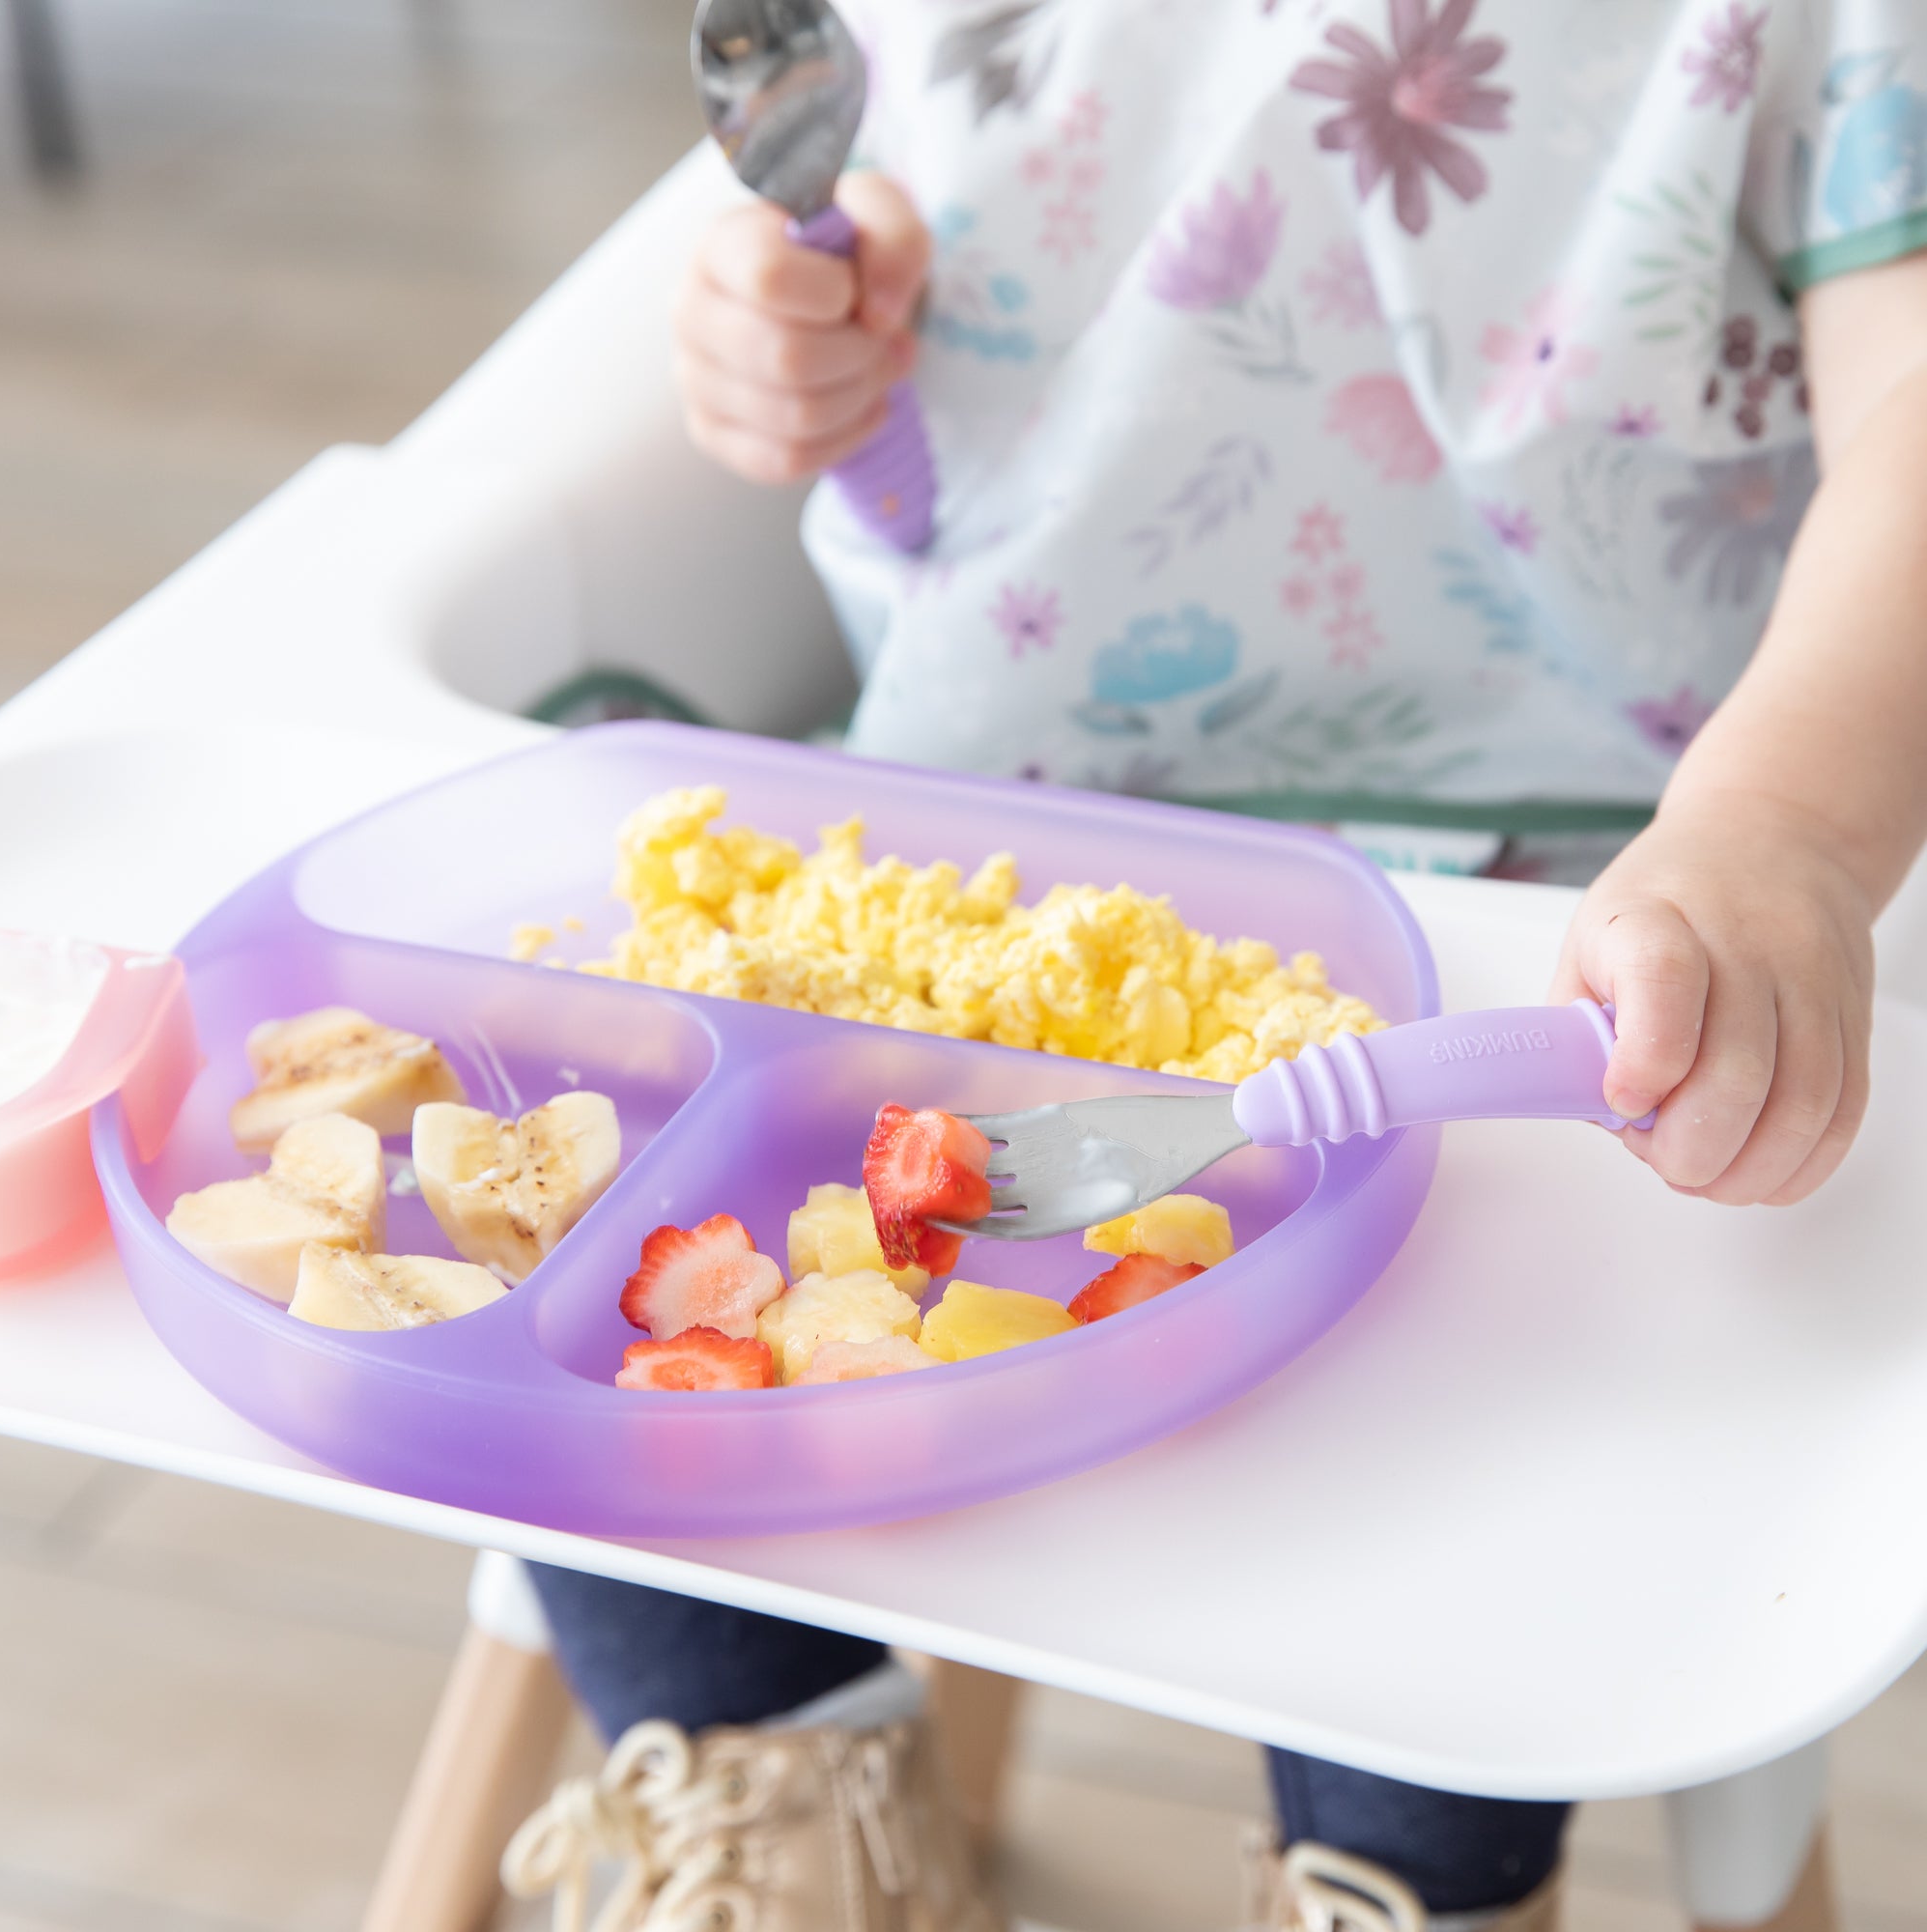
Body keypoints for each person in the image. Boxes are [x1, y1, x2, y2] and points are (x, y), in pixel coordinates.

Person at [504, 4, 1927, 1927]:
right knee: (587, 1211)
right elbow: (892, 232)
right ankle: (773, 1774)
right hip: (969, 838)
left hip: (1570, 883)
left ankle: (1405, 1870)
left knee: (1476, 1382)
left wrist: (1792, 830)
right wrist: (794, 335)